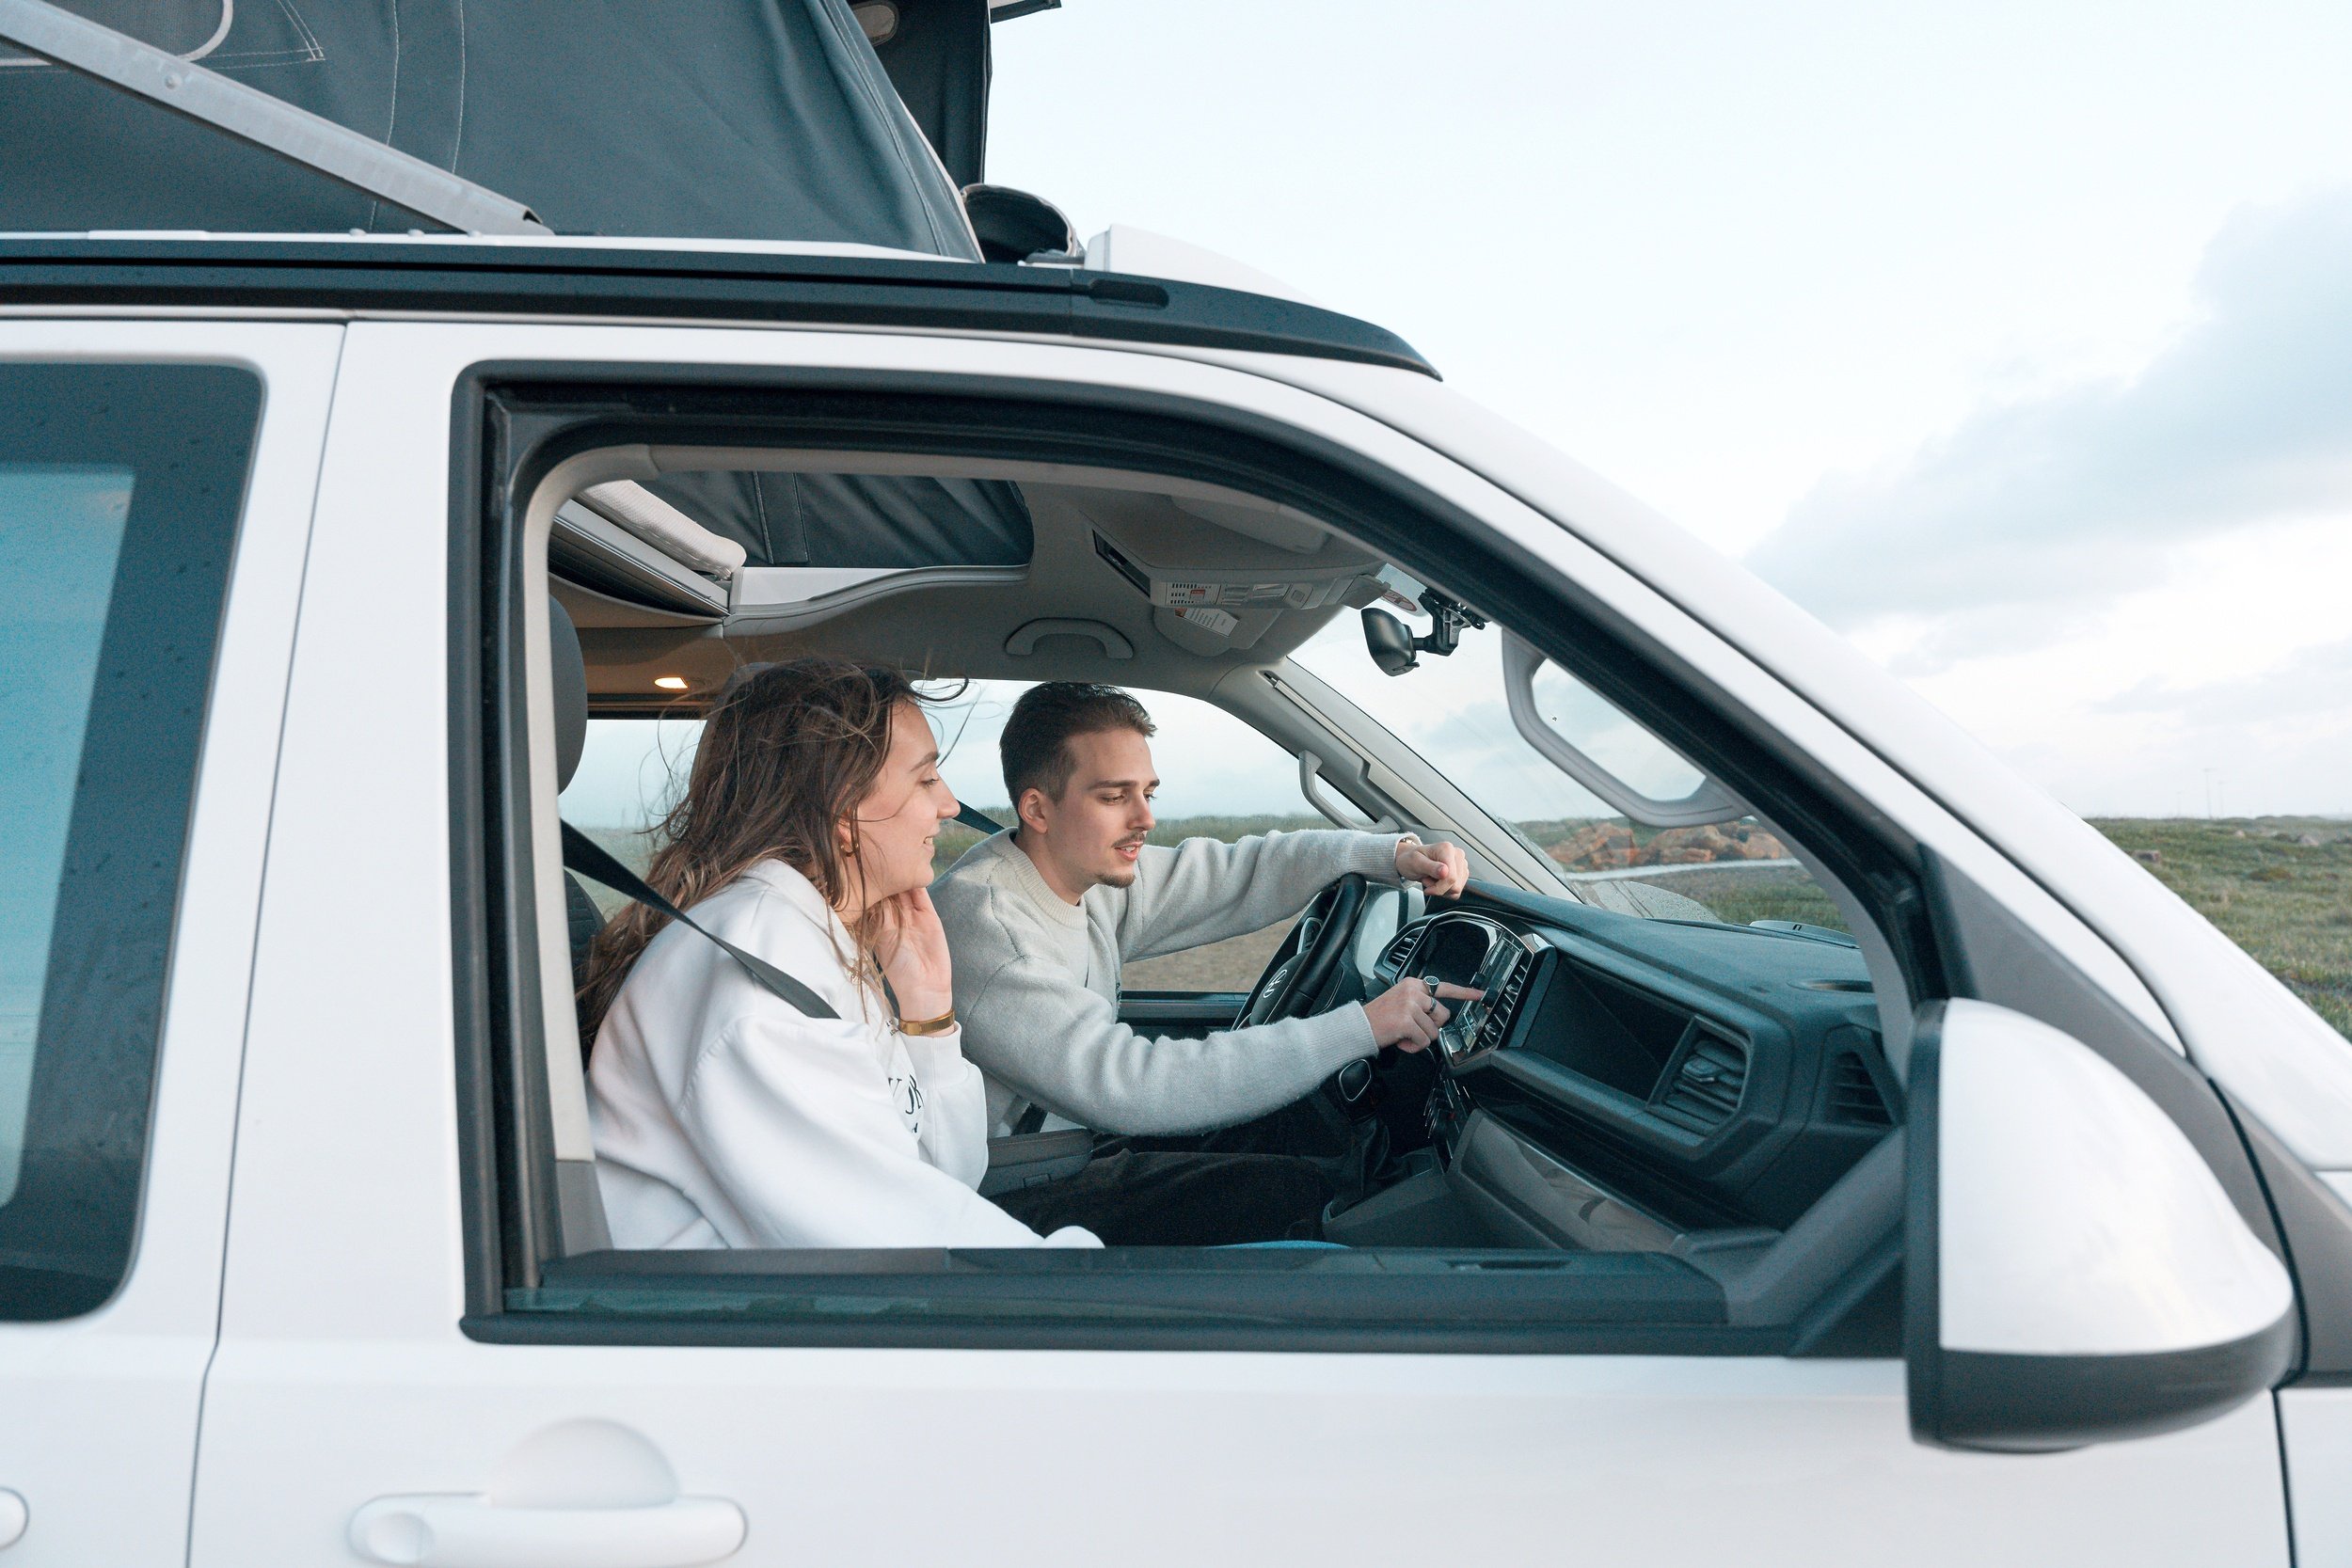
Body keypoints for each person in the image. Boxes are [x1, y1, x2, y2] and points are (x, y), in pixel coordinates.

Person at [579, 659, 1096, 1250]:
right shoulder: (764, 984)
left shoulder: (819, 941)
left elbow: (942, 1179)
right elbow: (901, 1242)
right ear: (846, 809)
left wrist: (927, 1013)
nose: (950, 805)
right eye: (926, 779)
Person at [930, 683, 1474, 1242]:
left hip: (1065, 1143)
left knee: (1286, 1130)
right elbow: (1132, 1086)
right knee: (1296, 1194)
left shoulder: (1079, 872)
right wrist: (1364, 1026)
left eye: (1148, 793)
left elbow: (1237, 872)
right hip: (1002, 1193)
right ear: (1037, 809)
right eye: (1115, 797)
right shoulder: (991, 928)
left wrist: (1388, 855)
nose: (1145, 818)